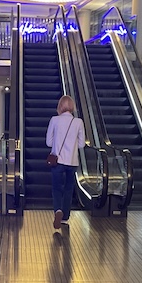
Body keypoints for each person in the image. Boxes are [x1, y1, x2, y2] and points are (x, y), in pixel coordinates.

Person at [46, 95, 86, 229]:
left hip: (57, 160)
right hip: (72, 162)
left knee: (56, 188)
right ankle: (65, 216)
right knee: (69, 189)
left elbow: (48, 142)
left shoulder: (54, 120)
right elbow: (81, 145)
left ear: (60, 106)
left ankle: (58, 210)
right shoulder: (78, 122)